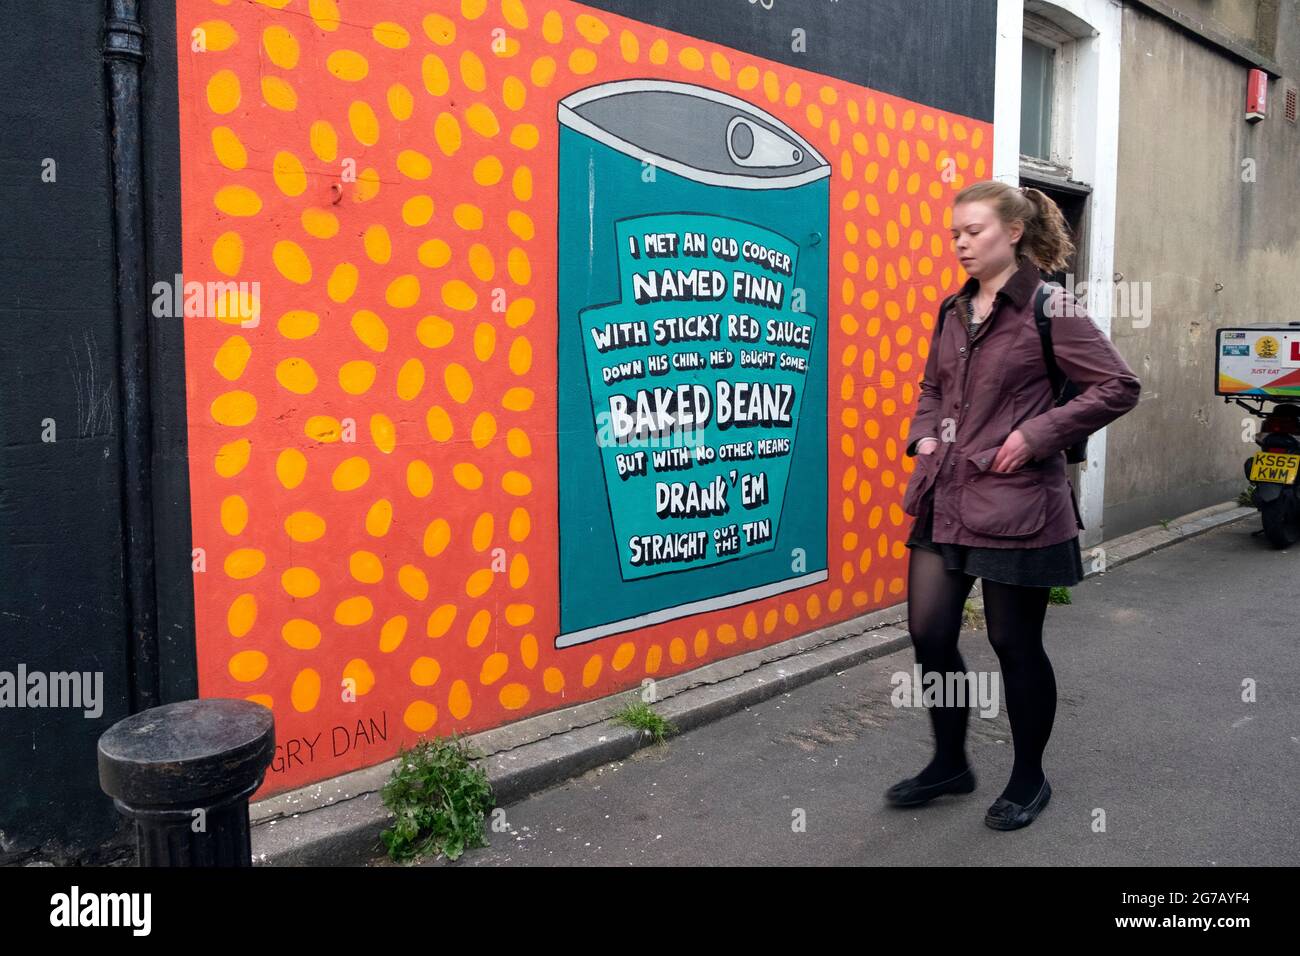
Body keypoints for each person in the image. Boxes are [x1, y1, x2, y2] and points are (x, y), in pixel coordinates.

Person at [885, 180, 1141, 830]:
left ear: (1014, 232)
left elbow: (1118, 385)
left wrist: (1038, 434)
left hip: (1021, 504)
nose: (962, 244)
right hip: (946, 494)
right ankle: (950, 762)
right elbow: (932, 386)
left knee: (1014, 643)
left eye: (974, 231)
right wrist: (921, 433)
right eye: (955, 234)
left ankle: (1029, 777)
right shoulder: (953, 309)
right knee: (930, 634)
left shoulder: (1053, 308)